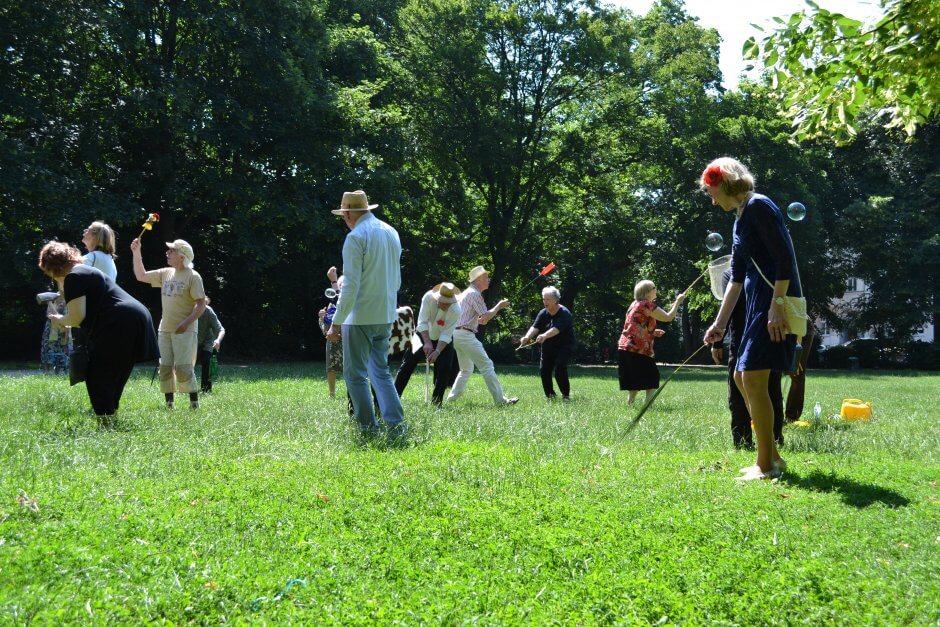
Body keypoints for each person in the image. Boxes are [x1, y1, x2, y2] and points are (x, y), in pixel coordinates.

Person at [701, 157, 802, 481]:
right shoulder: (740, 217)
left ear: (726, 183)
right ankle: (771, 456)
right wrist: (719, 324)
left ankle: (766, 466)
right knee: (740, 377)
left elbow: (784, 259)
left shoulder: (759, 206)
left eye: (711, 191)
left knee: (754, 378)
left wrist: (777, 306)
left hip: (774, 303)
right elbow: (736, 278)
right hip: (759, 304)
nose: (711, 198)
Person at [38, 241, 158, 426]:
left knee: (97, 375)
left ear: (53, 267)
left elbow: (76, 318)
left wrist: (58, 319)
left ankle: (106, 423)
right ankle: (110, 419)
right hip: (135, 317)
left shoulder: (74, 276)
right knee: (114, 374)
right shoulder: (83, 271)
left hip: (119, 320)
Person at [325, 190, 405, 439]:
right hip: (386, 312)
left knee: (355, 374)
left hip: (359, 316)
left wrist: (336, 323)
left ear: (348, 213)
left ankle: (368, 428)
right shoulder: (391, 231)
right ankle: (396, 423)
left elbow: (350, 286)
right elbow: (397, 279)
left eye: (343, 215)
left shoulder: (355, 236)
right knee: (380, 371)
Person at [710, 270, 784, 448]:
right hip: (765, 336)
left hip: (751, 338)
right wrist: (717, 342)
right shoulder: (768, 269)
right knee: (770, 388)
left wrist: (717, 343)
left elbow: (728, 306)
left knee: (741, 391)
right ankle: (771, 438)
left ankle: (745, 440)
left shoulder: (731, 274)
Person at [131, 237, 206, 409]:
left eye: (171, 250)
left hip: (185, 331)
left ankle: (194, 404)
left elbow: (201, 304)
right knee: (165, 367)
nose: (167, 252)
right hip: (165, 329)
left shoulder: (193, 277)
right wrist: (136, 252)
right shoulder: (166, 273)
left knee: (183, 368)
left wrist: (186, 323)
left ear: (182, 256)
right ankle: (169, 405)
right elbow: (141, 276)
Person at [446, 266, 518, 406]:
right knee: (487, 366)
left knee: (466, 369)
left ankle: (451, 399)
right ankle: (500, 401)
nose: (489, 279)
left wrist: (476, 320)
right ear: (478, 279)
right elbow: (485, 317)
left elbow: (477, 319)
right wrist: (498, 306)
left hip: (457, 334)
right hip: (466, 336)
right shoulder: (475, 294)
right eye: (486, 277)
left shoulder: (467, 293)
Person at [618, 280, 686, 405]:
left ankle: (630, 403)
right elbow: (668, 317)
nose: (656, 289)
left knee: (635, 378)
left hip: (626, 346)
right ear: (648, 292)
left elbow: (634, 325)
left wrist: (652, 333)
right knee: (652, 377)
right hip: (638, 348)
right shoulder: (646, 304)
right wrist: (678, 302)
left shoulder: (634, 304)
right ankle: (648, 405)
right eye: (654, 287)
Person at [395, 282, 461, 405]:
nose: (446, 305)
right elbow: (422, 322)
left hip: (442, 339)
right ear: (437, 298)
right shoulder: (428, 297)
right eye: (443, 302)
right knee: (407, 365)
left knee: (445, 367)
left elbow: (447, 334)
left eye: (449, 302)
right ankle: (393, 398)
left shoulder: (456, 309)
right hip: (422, 334)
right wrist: (427, 343)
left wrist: (437, 351)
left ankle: (437, 403)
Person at [519, 286, 576, 401]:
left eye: (548, 299)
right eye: (544, 299)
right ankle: (550, 396)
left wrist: (544, 335)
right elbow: (535, 327)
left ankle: (565, 396)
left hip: (564, 346)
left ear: (555, 300)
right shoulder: (543, 313)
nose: (545, 302)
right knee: (544, 370)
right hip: (548, 347)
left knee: (560, 367)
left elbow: (556, 329)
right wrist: (527, 337)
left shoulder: (564, 313)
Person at [318, 270, 344, 399]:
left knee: (352, 368)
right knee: (331, 368)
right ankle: (332, 394)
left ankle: (354, 391)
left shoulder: (348, 304)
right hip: (333, 342)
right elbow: (326, 331)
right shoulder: (331, 306)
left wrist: (333, 280)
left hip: (347, 340)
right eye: (339, 286)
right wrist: (322, 318)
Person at [785, 322, 815, 421]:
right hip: (782, 327)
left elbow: (799, 321)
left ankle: (792, 416)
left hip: (801, 327)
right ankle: (773, 415)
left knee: (797, 373)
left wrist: (796, 358)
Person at [196, 296, 225, 393]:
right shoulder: (187, 309)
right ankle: (187, 388)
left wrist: (218, 340)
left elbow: (221, 329)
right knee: (187, 364)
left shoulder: (209, 311)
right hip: (192, 340)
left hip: (207, 341)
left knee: (207, 361)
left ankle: (206, 390)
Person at [40, 295, 71, 374]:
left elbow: (64, 317)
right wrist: (51, 305)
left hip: (63, 330)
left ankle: (60, 370)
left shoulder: (68, 305)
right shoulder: (53, 304)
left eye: (62, 299)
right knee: (47, 348)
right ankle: (47, 370)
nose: (60, 301)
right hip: (50, 330)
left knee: (61, 349)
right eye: (58, 299)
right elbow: (50, 315)